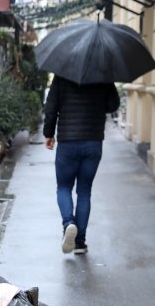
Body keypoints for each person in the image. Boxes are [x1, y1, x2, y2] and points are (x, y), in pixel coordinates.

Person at [43, 75, 119, 254]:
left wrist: (49, 133)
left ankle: (69, 223)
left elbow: (51, 107)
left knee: (63, 187)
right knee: (84, 191)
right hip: (93, 141)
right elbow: (113, 105)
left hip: (68, 142)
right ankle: (80, 242)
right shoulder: (102, 74)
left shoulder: (62, 75)